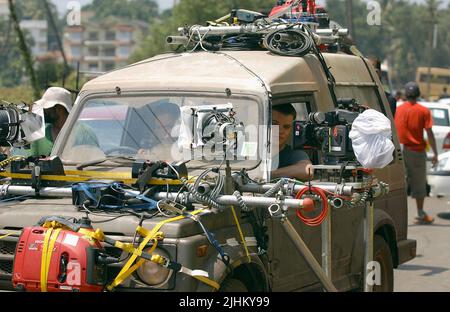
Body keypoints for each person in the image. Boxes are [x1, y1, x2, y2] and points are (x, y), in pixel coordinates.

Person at [395, 82, 438, 225]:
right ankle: (420, 213)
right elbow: (429, 132)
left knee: (400, 183)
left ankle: (397, 216)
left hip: (399, 151)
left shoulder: (399, 109)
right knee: (419, 184)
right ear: (418, 94)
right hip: (416, 151)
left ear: (406, 94)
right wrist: (435, 153)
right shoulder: (423, 111)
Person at [27, 87, 99, 157]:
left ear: (59, 109)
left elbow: (94, 161)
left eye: (46, 108)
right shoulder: (39, 135)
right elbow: (31, 163)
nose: (43, 111)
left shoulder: (85, 133)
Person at [271, 104, 313, 181]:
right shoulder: (252, 150)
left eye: (286, 127)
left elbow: (308, 170)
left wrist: (267, 175)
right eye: (274, 124)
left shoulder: (293, 154)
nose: (281, 131)